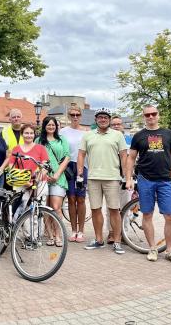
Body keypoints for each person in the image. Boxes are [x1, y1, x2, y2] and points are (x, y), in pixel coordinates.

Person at [126, 105, 171, 264]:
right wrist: (129, 178)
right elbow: (131, 158)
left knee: (170, 216)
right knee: (147, 215)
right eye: (147, 115)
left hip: (165, 180)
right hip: (145, 179)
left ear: (158, 115)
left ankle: (170, 251)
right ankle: (152, 248)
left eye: (153, 114)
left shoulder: (168, 134)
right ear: (144, 117)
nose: (150, 117)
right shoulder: (138, 136)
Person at [78, 108, 127, 255]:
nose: (103, 119)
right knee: (95, 209)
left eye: (105, 117)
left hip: (112, 177)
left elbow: (124, 156)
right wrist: (80, 174)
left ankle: (117, 241)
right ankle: (99, 240)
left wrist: (125, 176)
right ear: (96, 119)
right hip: (93, 177)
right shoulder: (87, 135)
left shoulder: (117, 135)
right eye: (100, 117)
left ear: (109, 120)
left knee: (114, 210)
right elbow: (81, 155)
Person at [7, 124, 49, 240]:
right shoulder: (16, 149)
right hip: (21, 183)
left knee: (37, 210)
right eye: (26, 133)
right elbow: (11, 167)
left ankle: (36, 237)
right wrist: (25, 181)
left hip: (38, 183)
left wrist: (35, 180)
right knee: (23, 210)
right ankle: (28, 236)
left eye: (31, 133)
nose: (29, 135)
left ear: (34, 134)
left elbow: (45, 166)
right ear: (22, 134)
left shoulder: (41, 148)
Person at [36, 116, 70, 246]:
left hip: (58, 177)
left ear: (56, 126)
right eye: (48, 125)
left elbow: (66, 157)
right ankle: (49, 235)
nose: (51, 127)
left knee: (56, 207)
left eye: (53, 125)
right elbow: (36, 158)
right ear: (44, 126)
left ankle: (58, 235)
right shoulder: (39, 140)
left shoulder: (62, 140)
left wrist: (56, 174)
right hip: (43, 177)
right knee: (45, 208)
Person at [59, 105, 88, 242]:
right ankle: (73, 230)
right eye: (72, 115)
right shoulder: (63, 132)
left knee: (81, 198)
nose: (75, 117)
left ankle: (81, 230)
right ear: (69, 116)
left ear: (81, 116)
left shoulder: (86, 132)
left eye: (77, 114)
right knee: (71, 198)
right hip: (69, 166)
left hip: (83, 166)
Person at [104, 115, 132, 244]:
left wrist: (129, 177)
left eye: (118, 124)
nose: (116, 126)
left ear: (122, 125)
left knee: (125, 207)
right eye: (113, 124)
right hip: (111, 177)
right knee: (111, 207)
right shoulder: (107, 140)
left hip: (124, 177)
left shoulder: (129, 141)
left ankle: (124, 233)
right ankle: (111, 233)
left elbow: (132, 160)